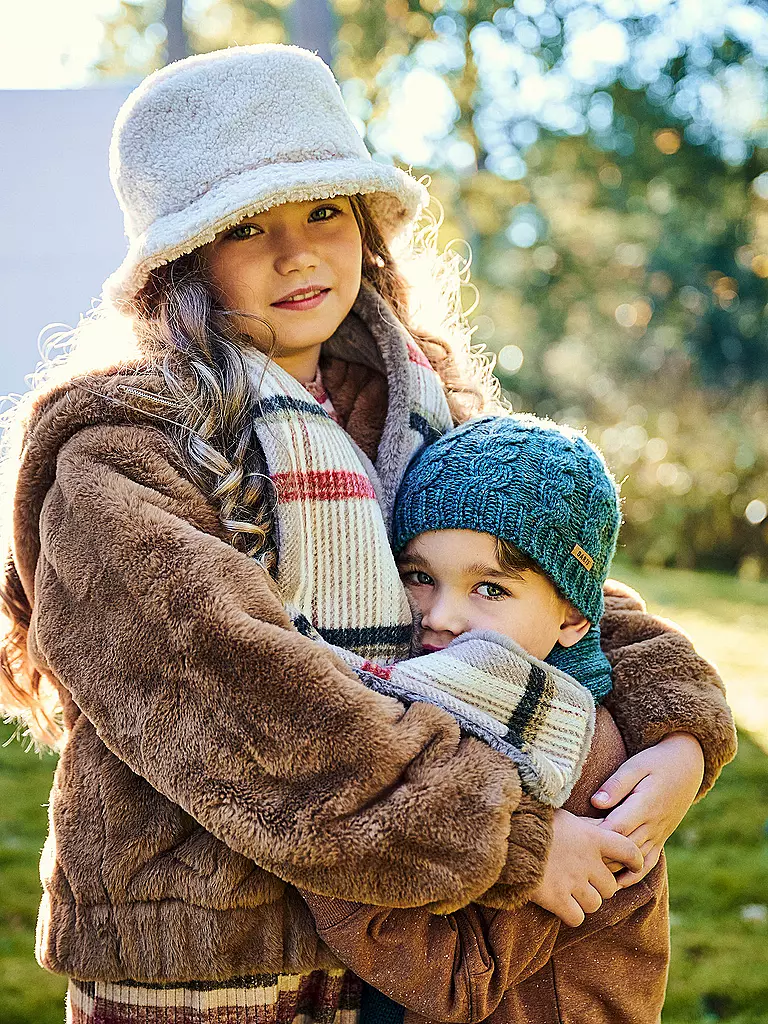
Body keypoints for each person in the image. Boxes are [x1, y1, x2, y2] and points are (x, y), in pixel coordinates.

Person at [0, 44, 736, 1024]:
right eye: (245, 226)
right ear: (179, 263)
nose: (297, 251)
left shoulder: (409, 406)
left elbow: (551, 577)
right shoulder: (119, 452)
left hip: (406, 947)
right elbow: (234, 698)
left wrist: (680, 725)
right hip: (214, 969)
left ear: (364, 225)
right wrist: (514, 838)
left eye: (323, 210)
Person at [300, 413, 709, 1023]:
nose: (440, 616)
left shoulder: (570, 755)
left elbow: (459, 979)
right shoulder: (463, 694)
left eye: (490, 588)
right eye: (419, 577)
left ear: (573, 618)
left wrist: (321, 830)